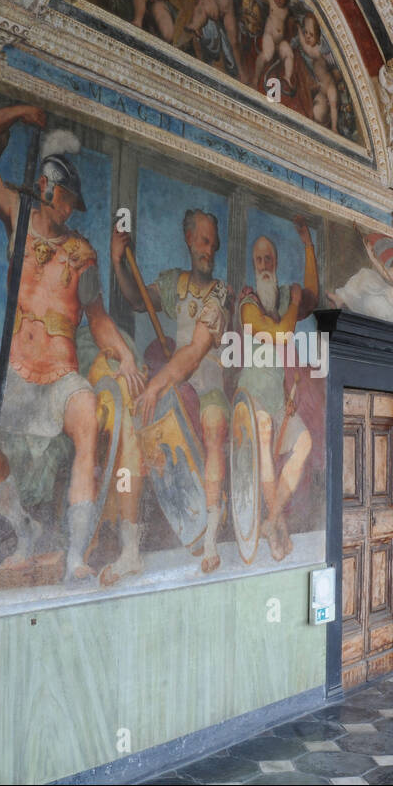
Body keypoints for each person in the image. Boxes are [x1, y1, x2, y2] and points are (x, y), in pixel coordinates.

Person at [0, 105, 144, 588]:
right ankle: (23, 528)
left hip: (61, 378)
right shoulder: (16, 218)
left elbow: (98, 320)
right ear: (46, 188)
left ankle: (77, 555)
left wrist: (124, 355)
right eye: (65, 201)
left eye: (72, 206)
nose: (68, 211)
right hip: (15, 375)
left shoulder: (81, 253)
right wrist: (15, 114)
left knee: (85, 417)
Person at [111, 209, 231, 572]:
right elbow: (136, 299)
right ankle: (130, 550)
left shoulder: (219, 294)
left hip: (206, 381)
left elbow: (194, 354)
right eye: (204, 240)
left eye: (214, 243)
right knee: (136, 427)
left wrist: (157, 384)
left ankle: (210, 538)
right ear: (190, 241)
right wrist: (119, 260)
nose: (209, 249)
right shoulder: (173, 283)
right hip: (173, 377)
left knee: (212, 425)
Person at [235, 220, 317, 560]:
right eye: (259, 260)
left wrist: (308, 246)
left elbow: (310, 296)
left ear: (277, 262)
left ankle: (271, 520)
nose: (265, 265)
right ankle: (275, 529)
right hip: (251, 392)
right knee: (265, 435)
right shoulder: (247, 301)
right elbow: (281, 334)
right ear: (254, 265)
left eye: (269, 259)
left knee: (304, 442)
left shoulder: (283, 296)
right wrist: (294, 306)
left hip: (278, 394)